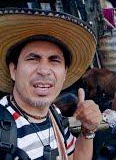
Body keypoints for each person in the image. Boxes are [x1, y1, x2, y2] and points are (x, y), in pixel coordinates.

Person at [0, 8, 101, 159]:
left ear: (65, 73)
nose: (44, 71)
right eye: (33, 58)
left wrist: (87, 130)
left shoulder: (54, 114)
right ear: (14, 70)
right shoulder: (3, 126)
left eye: (54, 60)